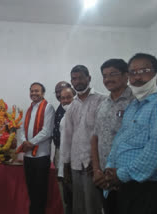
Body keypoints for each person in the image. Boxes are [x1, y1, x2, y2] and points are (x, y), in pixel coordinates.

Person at [104, 53, 157, 214]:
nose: (137, 77)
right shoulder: (133, 106)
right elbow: (119, 141)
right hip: (123, 183)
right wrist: (109, 167)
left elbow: (155, 151)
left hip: (146, 188)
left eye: (144, 71)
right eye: (133, 73)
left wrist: (120, 175)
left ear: (156, 74)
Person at [90, 59, 134, 214]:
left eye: (113, 74)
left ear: (126, 76)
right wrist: (96, 170)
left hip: (127, 178)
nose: (108, 79)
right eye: (104, 75)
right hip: (103, 178)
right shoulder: (103, 104)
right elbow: (95, 138)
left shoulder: (136, 102)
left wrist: (119, 174)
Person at [62, 65, 106, 214]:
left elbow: (103, 135)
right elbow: (67, 137)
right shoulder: (72, 106)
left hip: (93, 165)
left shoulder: (101, 100)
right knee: (78, 206)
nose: (78, 81)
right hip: (75, 163)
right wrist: (66, 165)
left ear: (89, 78)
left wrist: (96, 162)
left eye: (81, 77)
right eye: (74, 78)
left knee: (93, 206)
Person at [19, 82, 55, 214]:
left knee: (40, 191)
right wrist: (24, 141)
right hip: (28, 156)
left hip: (41, 156)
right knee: (31, 189)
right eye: (32, 91)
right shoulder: (29, 108)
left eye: (37, 91)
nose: (34, 93)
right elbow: (22, 129)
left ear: (43, 93)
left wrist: (30, 143)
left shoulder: (48, 107)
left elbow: (47, 131)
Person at [57, 87, 75, 214]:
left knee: (77, 202)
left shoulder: (78, 114)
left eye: (68, 97)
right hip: (64, 166)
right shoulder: (64, 117)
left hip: (75, 167)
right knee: (68, 201)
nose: (65, 101)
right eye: (62, 98)